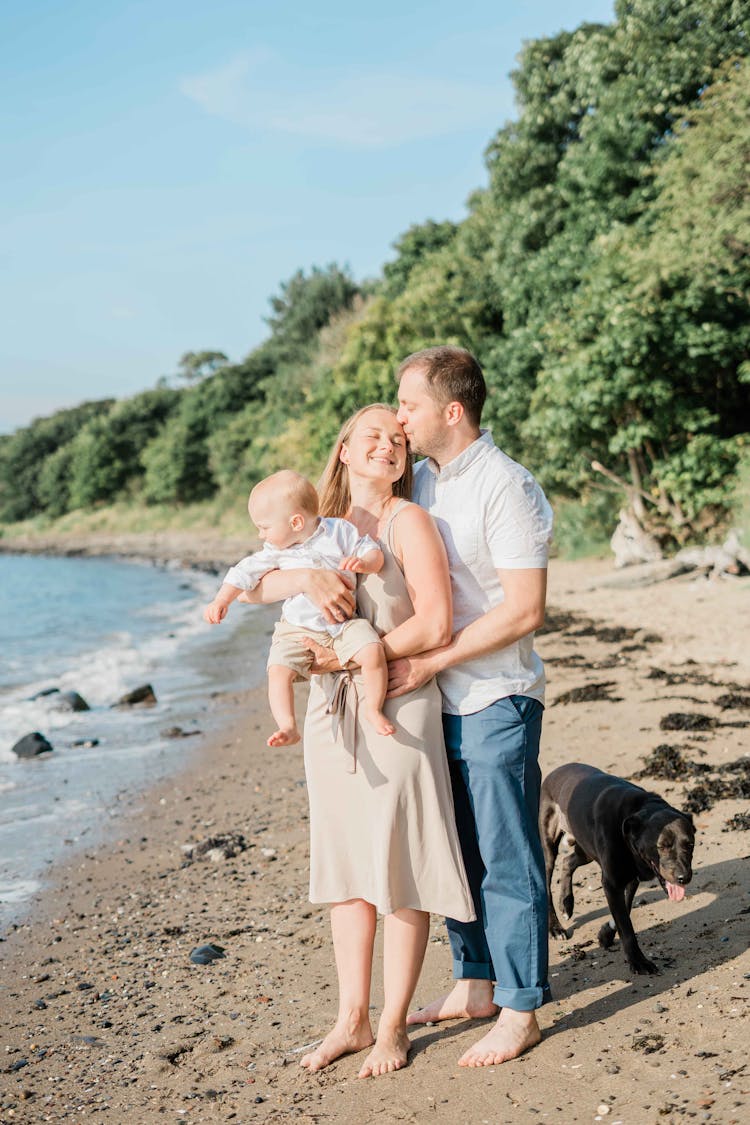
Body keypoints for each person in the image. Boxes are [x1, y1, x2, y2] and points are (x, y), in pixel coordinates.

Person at [241, 405, 475, 1078]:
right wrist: (302, 577)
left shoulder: (410, 522)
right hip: (326, 714)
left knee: (398, 869)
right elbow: (253, 580)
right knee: (344, 869)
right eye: (371, 433)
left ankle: (394, 1025)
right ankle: (351, 1017)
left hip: (398, 707)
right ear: (343, 450)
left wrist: (351, 659)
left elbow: (435, 621)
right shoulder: (311, 522)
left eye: (397, 438)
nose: (387, 443)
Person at [388, 345, 554, 1067]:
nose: (400, 417)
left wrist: (433, 658)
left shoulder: (507, 486)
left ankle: (521, 1007)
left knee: (506, 853)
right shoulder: (419, 481)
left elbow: (525, 610)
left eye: (409, 405)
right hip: (435, 702)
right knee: (454, 847)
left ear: (451, 411)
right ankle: (475, 979)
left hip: (495, 695)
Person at [203, 469, 395, 747]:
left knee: (373, 651)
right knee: (278, 670)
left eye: (264, 527)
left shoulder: (338, 531)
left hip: (343, 623)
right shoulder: (275, 551)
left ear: (295, 522)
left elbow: (370, 549)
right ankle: (288, 725)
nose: (260, 535)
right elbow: (242, 573)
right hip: (296, 628)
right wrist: (222, 600)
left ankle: (374, 709)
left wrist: (366, 563)